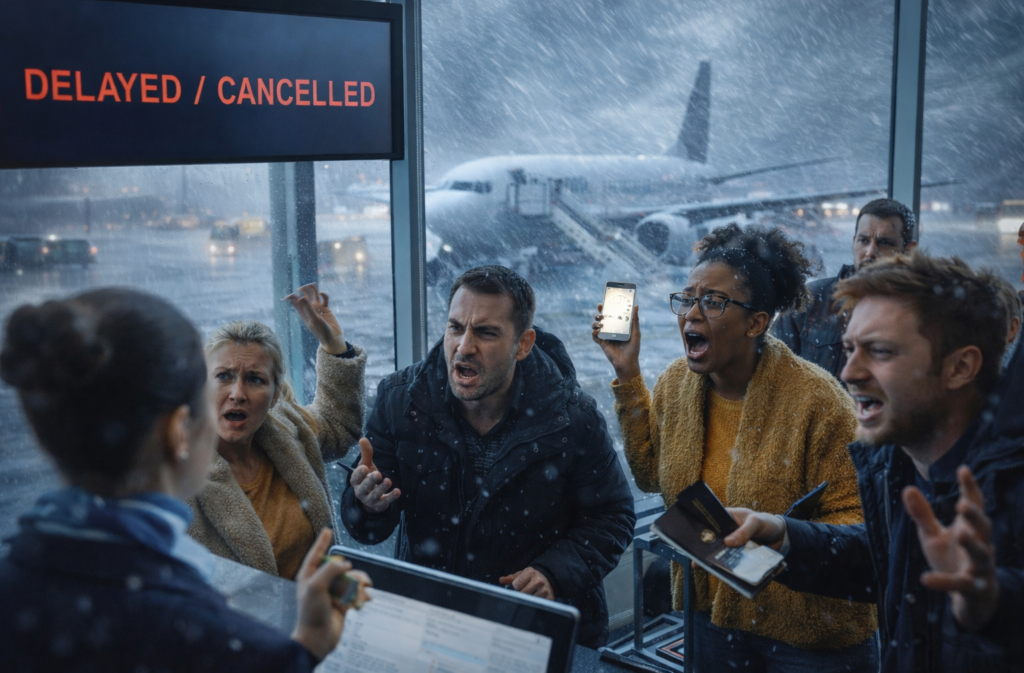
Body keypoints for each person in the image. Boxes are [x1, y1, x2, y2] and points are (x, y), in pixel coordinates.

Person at [0, 288, 369, 672]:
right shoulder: (197, 629)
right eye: (217, 382)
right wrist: (306, 650)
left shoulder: (14, 587)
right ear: (179, 429)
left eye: (255, 380)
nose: (235, 395)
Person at [595, 223, 877, 671]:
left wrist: (779, 532)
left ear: (756, 323)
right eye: (688, 298)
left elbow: (862, 523)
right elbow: (651, 475)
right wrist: (628, 376)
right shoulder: (675, 385)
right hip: (714, 619)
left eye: (713, 301)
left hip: (808, 636)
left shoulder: (819, 403)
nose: (691, 314)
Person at [725, 252, 1024, 672]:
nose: (848, 372)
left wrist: (992, 603)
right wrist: (785, 536)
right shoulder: (898, 464)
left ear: (960, 367)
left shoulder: (1009, 485)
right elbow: (886, 559)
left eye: (879, 351)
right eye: (849, 349)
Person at [341, 265, 635, 647]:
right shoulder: (402, 401)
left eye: (486, 332)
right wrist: (367, 504)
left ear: (524, 344)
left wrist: (554, 573)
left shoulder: (571, 417)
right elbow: (367, 530)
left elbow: (614, 515)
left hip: (535, 629)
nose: (464, 346)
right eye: (455, 327)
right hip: (434, 619)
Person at [188, 283, 366, 579]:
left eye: (255, 379)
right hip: (235, 625)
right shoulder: (179, 475)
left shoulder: (288, 429)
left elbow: (337, 424)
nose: (237, 393)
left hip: (321, 614)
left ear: (274, 397)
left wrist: (334, 344)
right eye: (223, 376)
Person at [772, 197, 917, 380]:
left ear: (909, 250)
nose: (870, 252)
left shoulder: (919, 311)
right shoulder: (812, 300)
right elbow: (770, 372)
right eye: (864, 241)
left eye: (885, 243)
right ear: (854, 241)